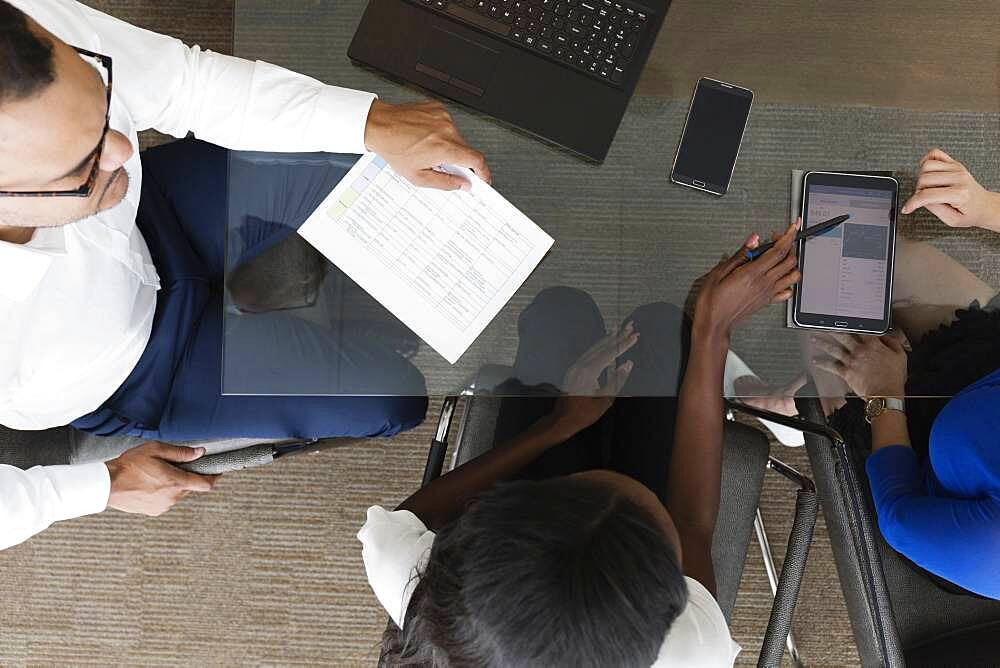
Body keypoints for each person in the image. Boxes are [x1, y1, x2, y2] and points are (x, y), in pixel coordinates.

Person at [0, 0, 489, 547]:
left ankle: (258, 291)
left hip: (151, 213)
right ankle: (260, 303)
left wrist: (374, 122)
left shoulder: (17, 28)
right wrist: (101, 485)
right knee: (397, 401)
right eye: (79, 165)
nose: (122, 144)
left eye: (104, 104)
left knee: (396, 173)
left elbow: (186, 82)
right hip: (139, 373)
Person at [358, 222, 801, 667]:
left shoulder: (407, 574)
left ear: (479, 515)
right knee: (663, 327)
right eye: (643, 509)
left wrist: (557, 425)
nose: (610, 480)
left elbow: (404, 523)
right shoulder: (690, 653)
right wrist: (711, 332)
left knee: (560, 311)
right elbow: (690, 524)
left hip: (533, 509)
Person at [810, 148, 1000, 600]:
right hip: (986, 370)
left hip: (922, 474)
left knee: (816, 301)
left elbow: (898, 519)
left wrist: (884, 394)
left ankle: (802, 411)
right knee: (873, 252)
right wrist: (984, 205)